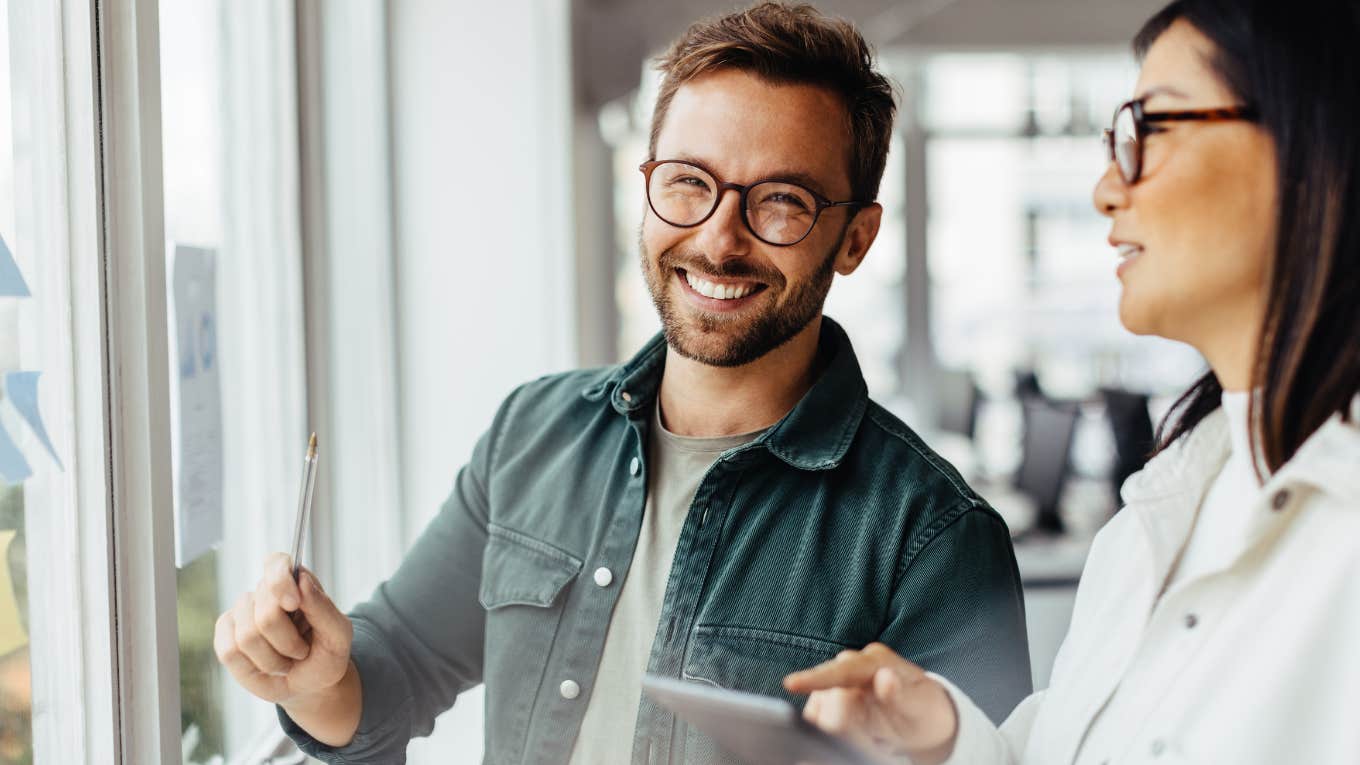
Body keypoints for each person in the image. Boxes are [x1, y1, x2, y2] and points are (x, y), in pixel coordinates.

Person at [212, 4, 1032, 763]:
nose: (718, 238)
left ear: (854, 238)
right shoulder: (530, 434)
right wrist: (316, 678)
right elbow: (397, 670)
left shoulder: (936, 538)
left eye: (780, 200)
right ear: (646, 185)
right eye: (687, 181)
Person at [783, 0, 1360, 762]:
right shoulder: (1154, 516)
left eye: (1149, 131)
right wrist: (944, 737)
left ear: (1312, 142)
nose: (1105, 191)